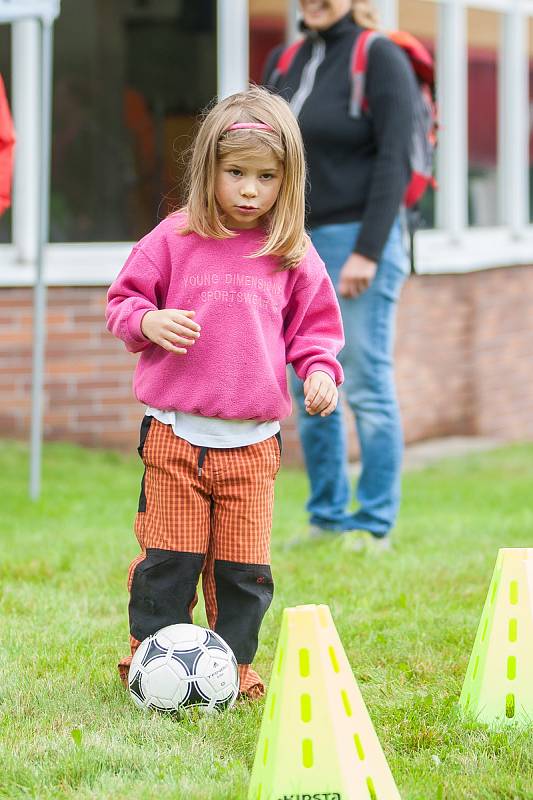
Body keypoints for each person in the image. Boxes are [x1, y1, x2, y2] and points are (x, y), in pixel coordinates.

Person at [105, 87, 344, 699]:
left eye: (266, 178)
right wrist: (147, 322)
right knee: (169, 559)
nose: (248, 190)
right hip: (176, 438)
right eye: (235, 173)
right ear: (207, 167)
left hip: (253, 448)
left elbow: (314, 331)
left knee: (243, 570)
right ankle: (152, 656)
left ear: (286, 182)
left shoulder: (290, 252)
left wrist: (319, 372)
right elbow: (124, 301)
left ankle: (231, 666)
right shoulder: (174, 237)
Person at [263, 0, 417, 551]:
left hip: (357, 240)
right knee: (308, 379)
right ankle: (327, 516)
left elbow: (396, 158)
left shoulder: (379, 56)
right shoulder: (286, 59)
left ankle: (373, 522)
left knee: (366, 380)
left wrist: (368, 251)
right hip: (296, 244)